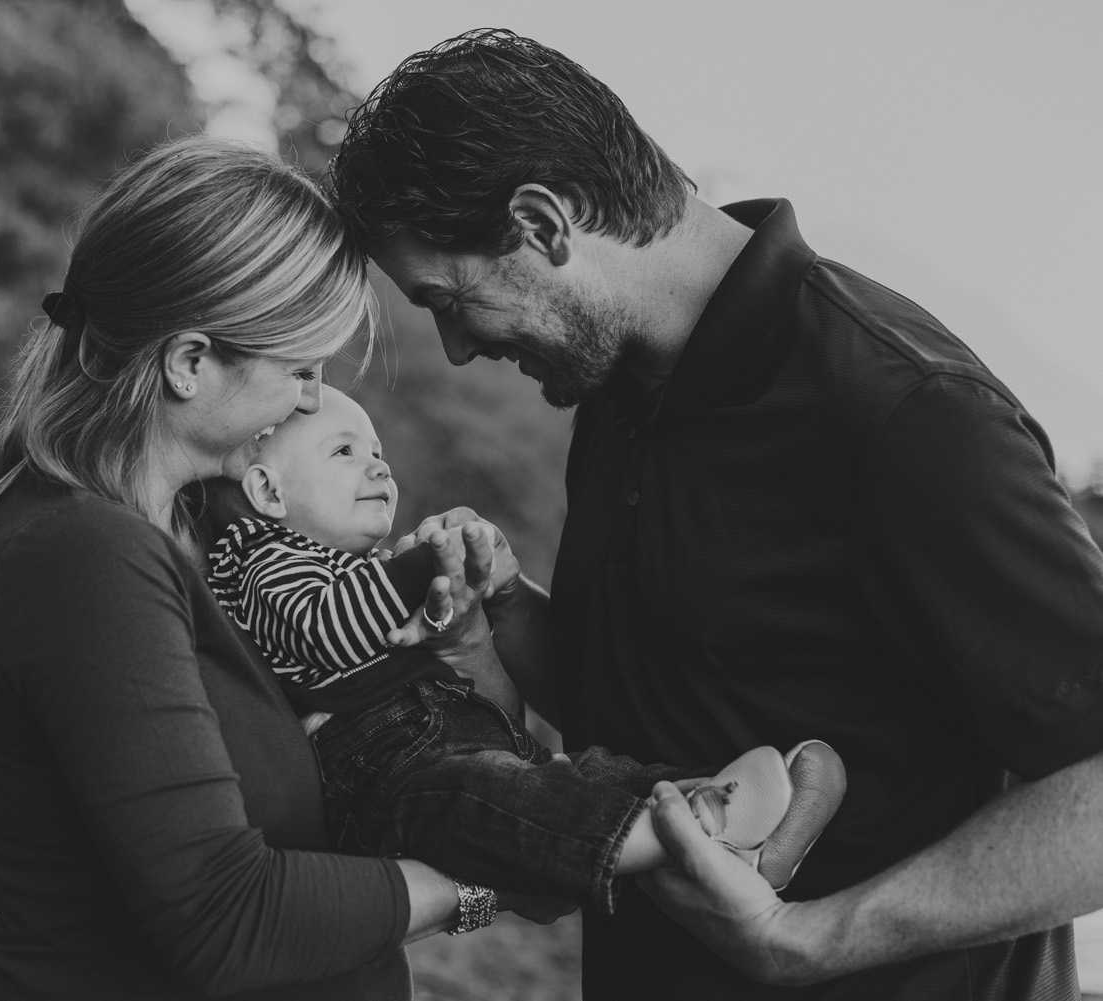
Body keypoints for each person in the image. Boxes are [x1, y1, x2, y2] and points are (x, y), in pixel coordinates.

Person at [323, 27, 1103, 1001]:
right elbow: (662, 706)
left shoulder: (909, 414)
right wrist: (505, 617)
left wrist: (810, 938)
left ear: (544, 224)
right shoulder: (617, 384)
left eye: (448, 298)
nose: (456, 347)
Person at [0, 134, 560, 1001]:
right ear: (190, 362)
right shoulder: (83, 556)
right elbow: (229, 917)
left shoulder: (204, 538)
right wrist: (481, 881)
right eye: (300, 369)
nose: (312, 399)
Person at [205, 385, 846, 912]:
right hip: (388, 774)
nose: (380, 467)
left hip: (452, 738)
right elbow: (323, 626)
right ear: (268, 492)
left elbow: (473, 690)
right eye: (345, 452)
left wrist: (459, 599)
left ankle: (719, 799)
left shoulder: (354, 564)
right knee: (496, 801)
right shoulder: (263, 562)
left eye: (379, 452)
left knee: (583, 774)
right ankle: (682, 831)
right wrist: (421, 566)